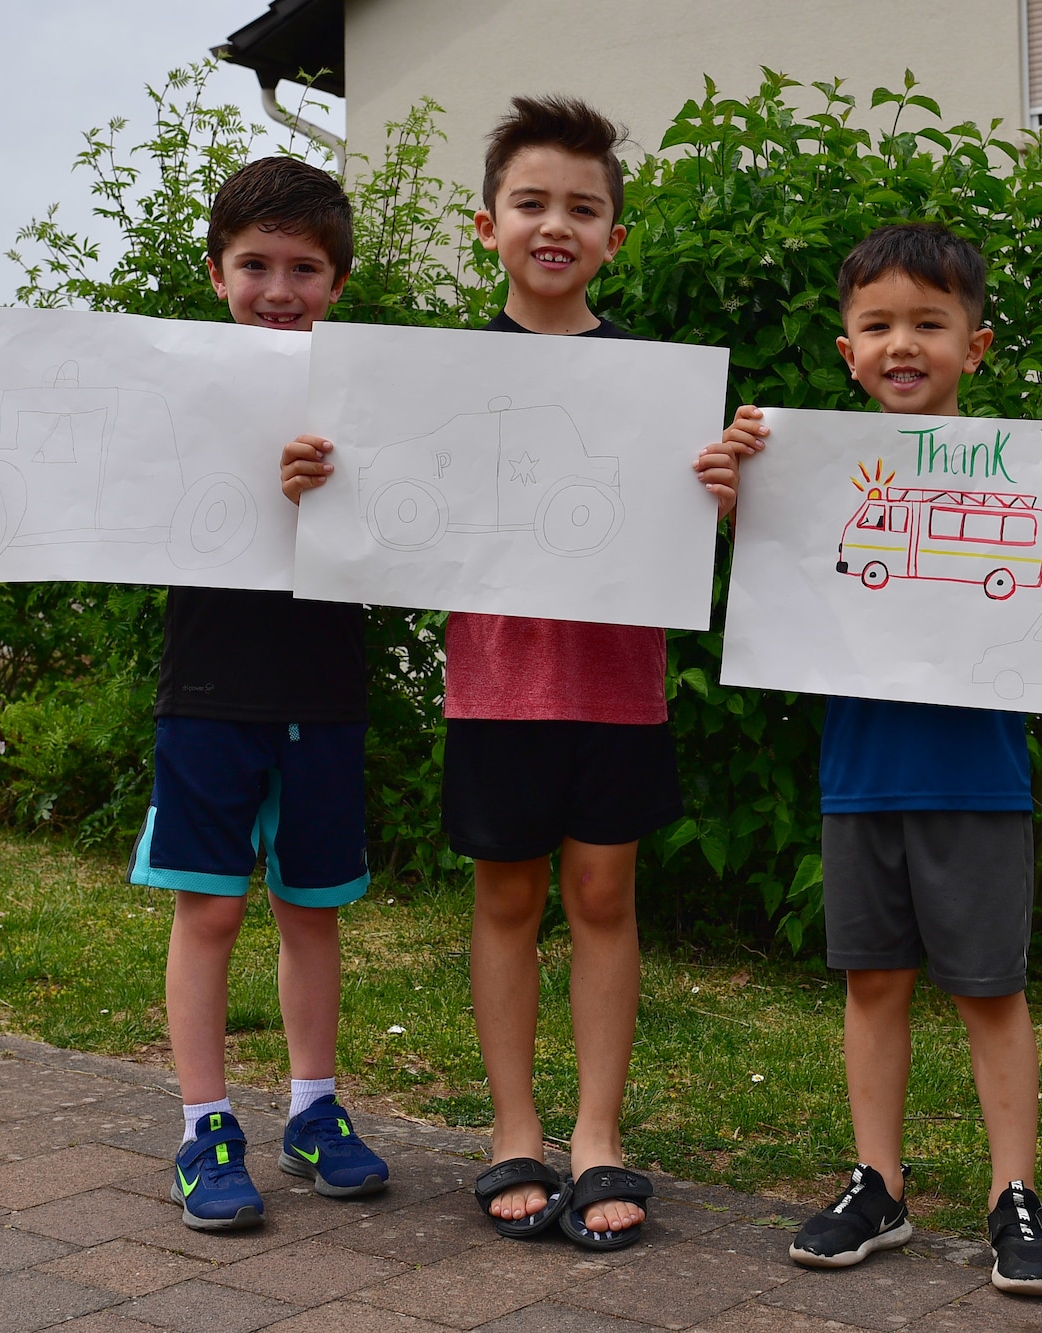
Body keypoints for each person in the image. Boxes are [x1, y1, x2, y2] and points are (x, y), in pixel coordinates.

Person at [0, 155, 389, 1232]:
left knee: (311, 911)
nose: (280, 287)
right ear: (215, 273)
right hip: (206, 689)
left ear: (338, 283)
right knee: (207, 909)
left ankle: (313, 1109)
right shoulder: (164, 384)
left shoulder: (375, 401)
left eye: (305, 266)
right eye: (255, 263)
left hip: (325, 692)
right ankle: (204, 1123)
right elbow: (56, 449)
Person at [697, 222, 1042, 1292]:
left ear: (976, 345)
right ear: (845, 351)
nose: (901, 343)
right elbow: (788, 582)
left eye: (928, 322)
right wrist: (736, 495)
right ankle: (876, 1181)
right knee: (870, 982)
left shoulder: (1035, 476)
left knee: (986, 989)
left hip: (976, 781)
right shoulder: (814, 475)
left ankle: (1013, 1192)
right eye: (876, 325)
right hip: (860, 774)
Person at [291, 94, 728, 1252]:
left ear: (612, 238)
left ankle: (595, 1133)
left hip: (619, 686)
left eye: (582, 208)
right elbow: (382, 509)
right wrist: (321, 481)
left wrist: (722, 487)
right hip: (492, 686)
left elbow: (697, 523)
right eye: (530, 202)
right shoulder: (429, 378)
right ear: (485, 224)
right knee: (505, 899)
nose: (555, 224)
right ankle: (513, 1129)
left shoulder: (658, 385)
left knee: (601, 900)